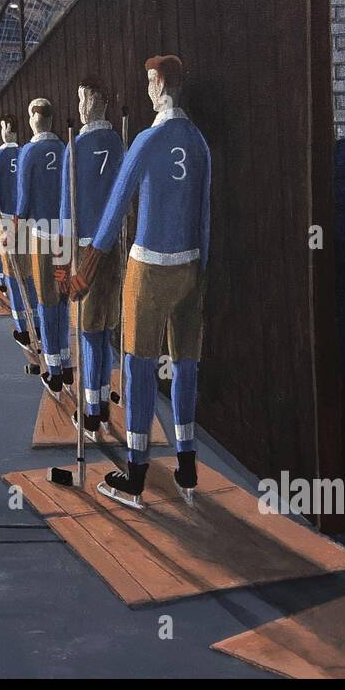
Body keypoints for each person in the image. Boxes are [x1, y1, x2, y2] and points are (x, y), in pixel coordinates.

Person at [66, 55, 210, 507]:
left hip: (149, 268)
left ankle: (136, 472)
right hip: (192, 266)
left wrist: (84, 271)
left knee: (138, 365)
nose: (147, 90)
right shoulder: (199, 142)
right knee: (186, 363)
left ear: (161, 84)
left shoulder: (148, 140)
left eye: (150, 82)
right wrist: (201, 271)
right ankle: (187, 465)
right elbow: (205, 214)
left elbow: (113, 214)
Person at [58, 76, 124, 441]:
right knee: (104, 328)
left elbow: (66, 213)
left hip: (85, 250)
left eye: (83, 99)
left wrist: (61, 266)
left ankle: (92, 411)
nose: (81, 107)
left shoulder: (75, 146)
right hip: (111, 248)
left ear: (95, 101)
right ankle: (101, 405)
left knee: (87, 330)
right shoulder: (118, 143)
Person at [15, 97, 70, 398]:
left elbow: (24, 202)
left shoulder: (29, 152)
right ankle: (66, 359)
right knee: (62, 296)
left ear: (34, 119)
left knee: (45, 298)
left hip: (42, 234)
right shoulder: (63, 149)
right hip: (65, 234)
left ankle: (54, 371)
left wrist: (13, 228)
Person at [0, 117, 34, 345]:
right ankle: (37, 323)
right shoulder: (26, 153)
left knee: (13, 275)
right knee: (30, 274)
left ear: (6, 129)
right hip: (29, 222)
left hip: (7, 222)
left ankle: (23, 328)